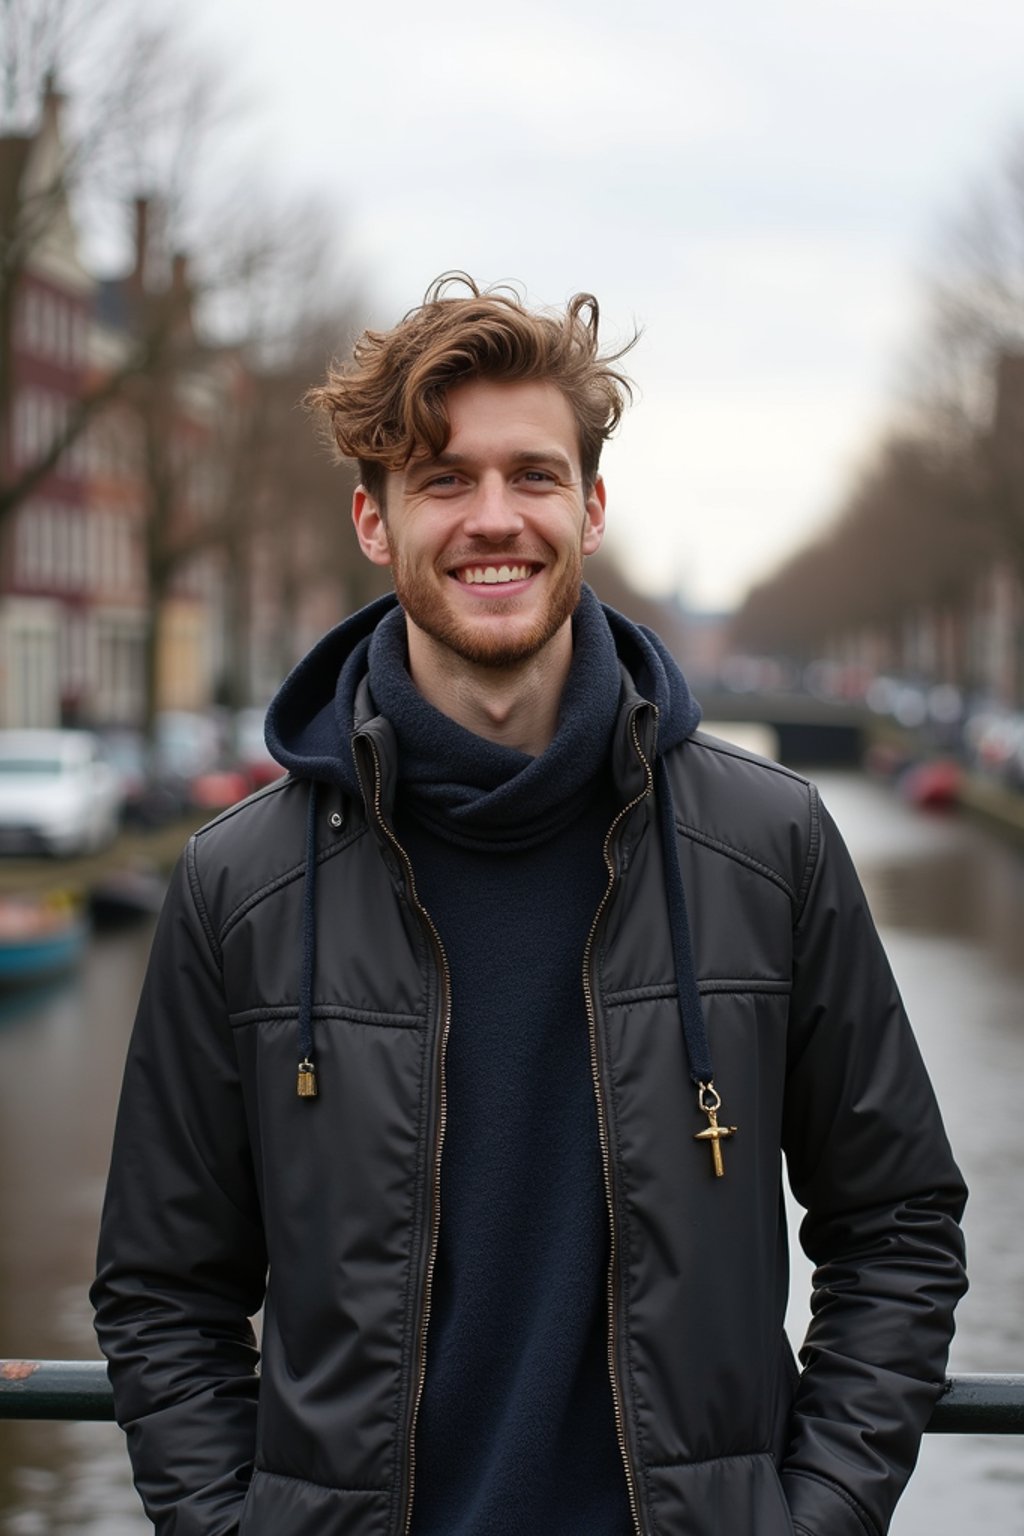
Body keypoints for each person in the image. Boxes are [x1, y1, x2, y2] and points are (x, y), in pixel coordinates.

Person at [92, 274, 967, 1536]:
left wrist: (817, 1512)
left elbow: (896, 1224)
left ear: (592, 507)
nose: (492, 518)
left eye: (533, 475)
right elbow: (165, 1289)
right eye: (442, 479)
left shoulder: (769, 847)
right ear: (373, 522)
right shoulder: (240, 884)